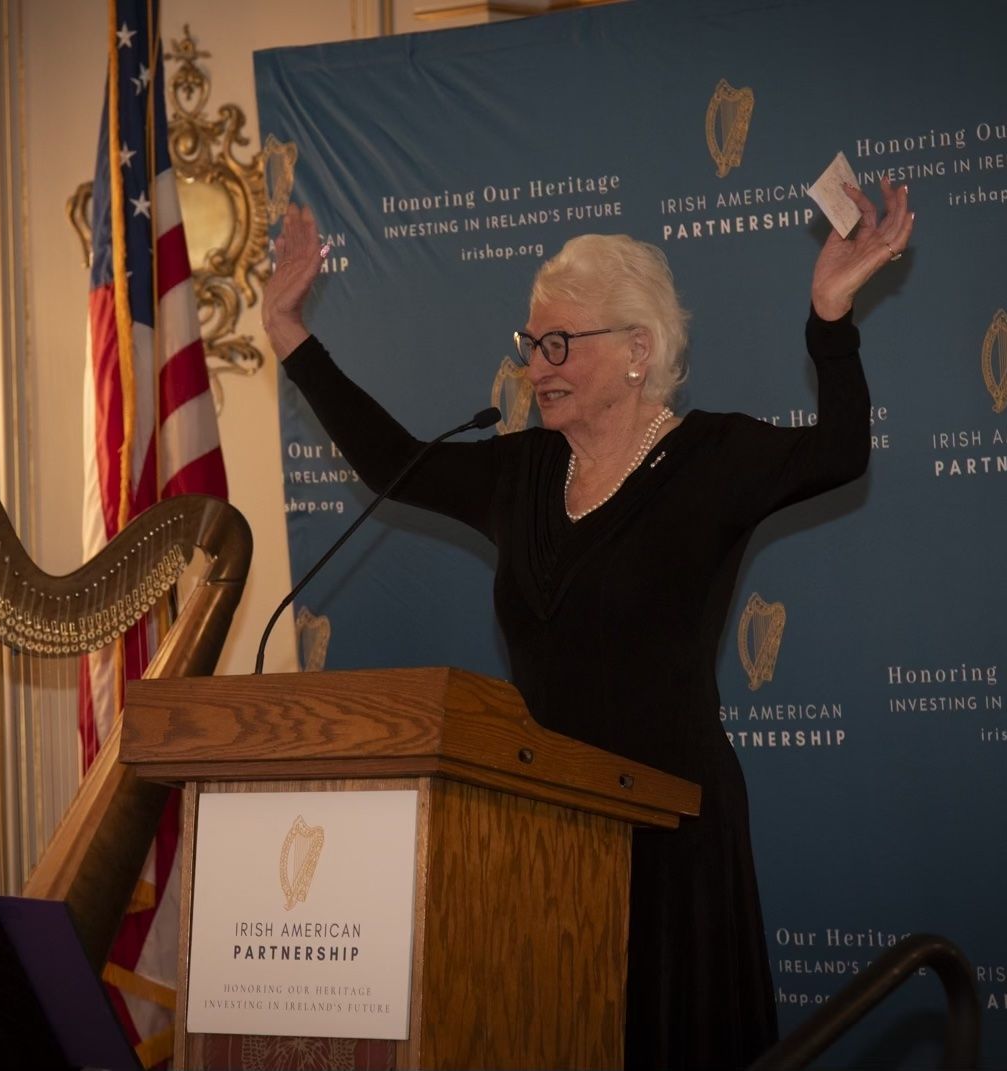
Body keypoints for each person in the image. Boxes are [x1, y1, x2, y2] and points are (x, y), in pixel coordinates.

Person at [262, 179, 913, 1069]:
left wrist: (830, 315)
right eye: (533, 342)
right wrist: (289, 334)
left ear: (638, 350)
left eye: (562, 342)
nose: (539, 364)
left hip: (673, 838)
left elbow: (840, 452)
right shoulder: (520, 472)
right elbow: (390, 462)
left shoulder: (710, 459)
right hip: (546, 831)